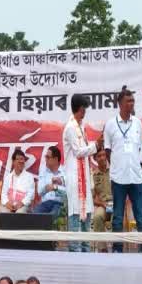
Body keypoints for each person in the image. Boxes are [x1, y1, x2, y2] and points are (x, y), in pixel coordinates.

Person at [102, 88, 142, 252]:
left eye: (133, 101)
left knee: (141, 218)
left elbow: (139, 147)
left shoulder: (137, 123)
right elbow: (108, 151)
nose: (131, 104)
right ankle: (117, 250)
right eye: (128, 101)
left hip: (136, 177)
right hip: (118, 179)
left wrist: (134, 163)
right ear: (120, 104)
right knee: (117, 218)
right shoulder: (109, 124)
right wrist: (118, 165)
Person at [62, 94, 97, 252]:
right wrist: (96, 146)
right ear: (79, 108)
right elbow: (78, 152)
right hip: (75, 179)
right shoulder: (70, 127)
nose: (85, 111)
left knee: (87, 214)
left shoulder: (81, 126)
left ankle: (86, 251)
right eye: (84, 108)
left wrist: (95, 147)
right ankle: (74, 253)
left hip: (84, 178)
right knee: (75, 215)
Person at [0, 149, 36, 214]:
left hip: (23, 205)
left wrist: (22, 203)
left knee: (19, 213)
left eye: (22, 159)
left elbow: (31, 195)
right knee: (3, 213)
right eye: (18, 159)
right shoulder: (8, 177)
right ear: (13, 162)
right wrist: (7, 203)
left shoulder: (29, 177)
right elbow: (3, 194)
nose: (21, 161)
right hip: (9, 205)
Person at [33, 145, 66, 217]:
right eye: (45, 157)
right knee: (34, 216)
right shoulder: (43, 170)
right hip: (45, 203)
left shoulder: (65, 171)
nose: (46, 159)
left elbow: (68, 192)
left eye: (48, 157)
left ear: (56, 159)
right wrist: (46, 188)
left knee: (51, 217)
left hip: (59, 203)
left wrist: (55, 188)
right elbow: (39, 191)